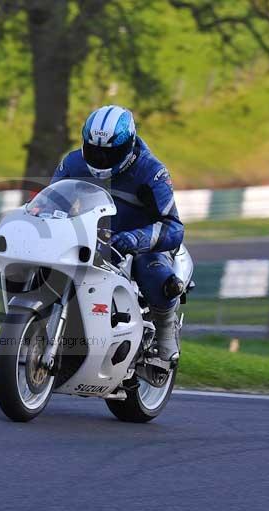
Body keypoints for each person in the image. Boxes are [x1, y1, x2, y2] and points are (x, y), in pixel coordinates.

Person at [51, 105, 184, 362]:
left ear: (128, 145)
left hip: (139, 243)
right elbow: (51, 202)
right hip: (91, 236)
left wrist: (135, 239)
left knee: (152, 270)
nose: (100, 159)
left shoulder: (151, 171)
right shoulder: (72, 163)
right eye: (95, 151)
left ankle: (166, 330)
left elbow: (174, 226)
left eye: (109, 153)